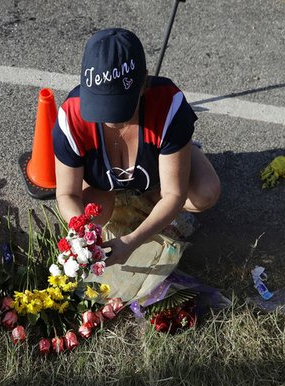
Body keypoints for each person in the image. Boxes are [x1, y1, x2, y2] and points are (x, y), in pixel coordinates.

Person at [52, 28, 220, 265]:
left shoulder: (170, 108)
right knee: (94, 217)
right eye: (101, 105)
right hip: (102, 184)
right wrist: (82, 235)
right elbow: (66, 193)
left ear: (143, 85)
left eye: (120, 105)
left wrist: (131, 241)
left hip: (158, 169)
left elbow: (174, 194)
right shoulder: (70, 117)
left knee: (205, 194)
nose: (110, 118)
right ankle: (129, 193)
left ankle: (181, 152)